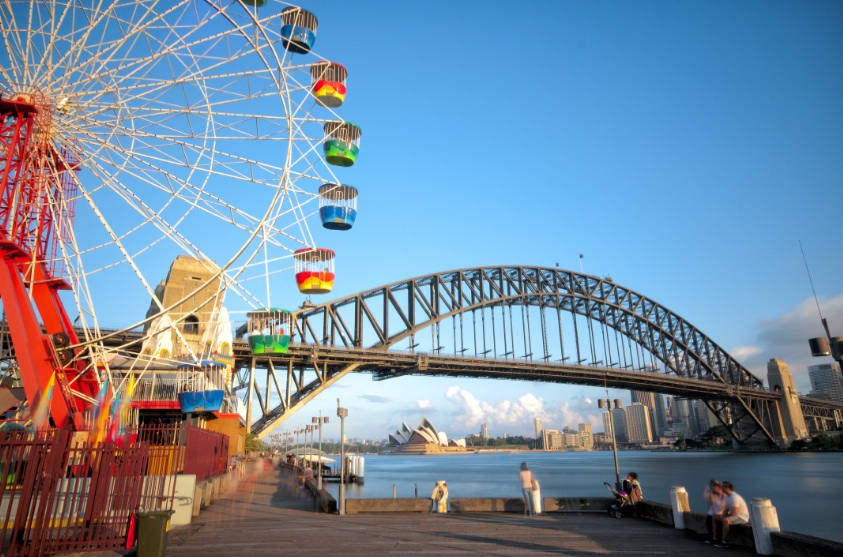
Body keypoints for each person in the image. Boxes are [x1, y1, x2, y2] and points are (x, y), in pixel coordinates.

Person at [714, 481, 749, 548]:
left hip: (741, 517)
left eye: (722, 487)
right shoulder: (727, 497)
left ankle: (724, 541)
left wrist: (725, 518)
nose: (721, 488)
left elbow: (735, 512)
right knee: (716, 518)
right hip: (735, 515)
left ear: (727, 488)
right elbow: (726, 508)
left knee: (725, 521)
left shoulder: (734, 497)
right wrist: (721, 516)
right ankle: (715, 537)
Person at [704, 479, 727, 543]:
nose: (713, 488)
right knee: (709, 518)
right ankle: (711, 535)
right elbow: (708, 499)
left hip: (723, 512)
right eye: (713, 486)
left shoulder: (723, 495)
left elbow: (724, 506)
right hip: (716, 511)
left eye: (715, 486)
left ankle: (717, 537)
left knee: (717, 519)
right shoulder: (713, 494)